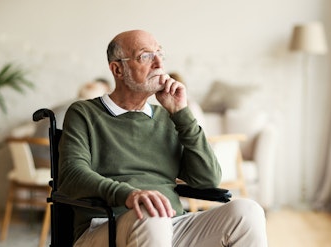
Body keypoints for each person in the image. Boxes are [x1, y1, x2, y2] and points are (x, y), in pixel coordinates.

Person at [58, 30, 268, 247]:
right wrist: (129, 195)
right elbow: (72, 174)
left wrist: (181, 114)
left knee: (247, 212)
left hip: (170, 225)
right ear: (118, 69)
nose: (158, 63)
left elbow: (208, 179)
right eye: (145, 56)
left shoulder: (167, 118)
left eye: (160, 54)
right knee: (151, 213)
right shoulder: (84, 113)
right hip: (105, 226)